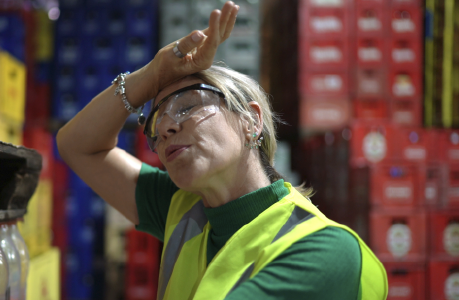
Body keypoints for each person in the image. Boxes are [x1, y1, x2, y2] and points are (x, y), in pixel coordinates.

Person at [55, 1, 388, 299]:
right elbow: (77, 145)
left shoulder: (322, 250)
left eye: (187, 107)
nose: (167, 127)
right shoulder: (182, 209)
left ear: (250, 121)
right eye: (158, 123)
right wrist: (154, 74)